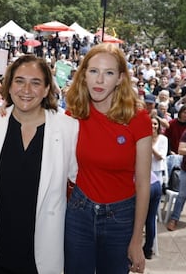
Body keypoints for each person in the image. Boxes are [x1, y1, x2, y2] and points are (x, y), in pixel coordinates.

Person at [0, 55, 78, 274]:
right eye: (19, 81)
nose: (26, 89)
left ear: (47, 87)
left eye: (36, 82)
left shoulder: (68, 128)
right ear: (9, 85)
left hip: (43, 245)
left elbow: (78, 178)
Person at [64, 43, 152, 274]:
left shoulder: (137, 117)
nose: (100, 80)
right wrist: (7, 111)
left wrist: (136, 240)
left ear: (121, 78)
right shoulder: (73, 113)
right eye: (94, 71)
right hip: (78, 212)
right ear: (83, 75)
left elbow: (143, 183)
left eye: (109, 73)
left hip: (120, 218)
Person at [143, 116, 168, 259]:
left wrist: (150, 145)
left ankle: (148, 248)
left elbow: (160, 157)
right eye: (150, 124)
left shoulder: (163, 139)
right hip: (143, 178)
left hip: (154, 180)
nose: (152, 126)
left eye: (155, 124)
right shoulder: (142, 138)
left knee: (150, 217)